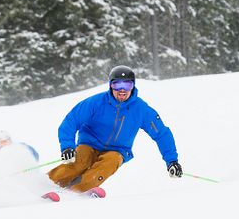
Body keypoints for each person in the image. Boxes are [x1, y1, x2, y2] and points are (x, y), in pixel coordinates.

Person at [47, 65, 182, 194]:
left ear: (133, 86)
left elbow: (161, 134)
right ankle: (47, 184)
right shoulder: (96, 102)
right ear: (111, 85)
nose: (122, 90)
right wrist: (67, 147)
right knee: (80, 161)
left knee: (110, 162)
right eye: (117, 84)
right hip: (89, 143)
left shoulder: (141, 109)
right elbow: (72, 120)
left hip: (117, 150)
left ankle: (75, 191)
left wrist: (172, 161)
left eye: (127, 85)